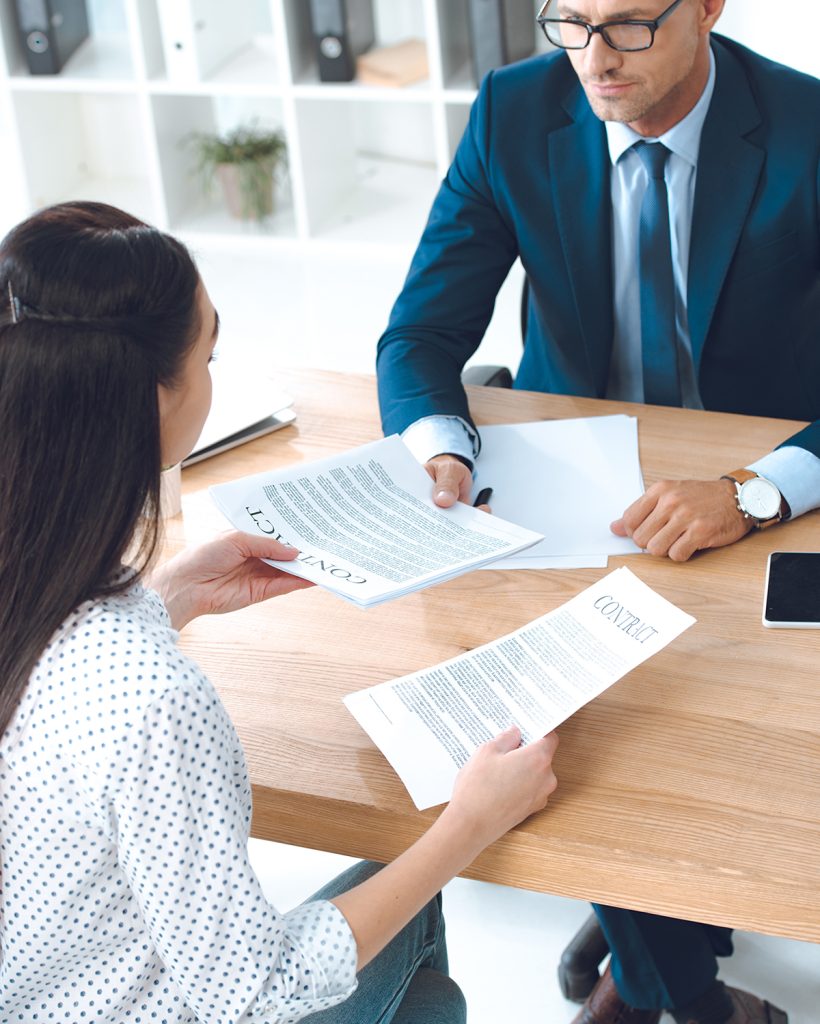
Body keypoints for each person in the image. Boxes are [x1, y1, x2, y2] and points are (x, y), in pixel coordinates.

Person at [0, 201, 560, 1024]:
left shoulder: (45, 600)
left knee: (411, 958)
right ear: (155, 401)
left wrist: (170, 597)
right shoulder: (151, 699)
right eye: (210, 351)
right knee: (413, 908)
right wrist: (468, 826)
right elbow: (255, 995)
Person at [375, 1, 815, 1022]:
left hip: (755, 492)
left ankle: (649, 957)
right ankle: (681, 982)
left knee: (687, 715)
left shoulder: (805, 128)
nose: (592, 60)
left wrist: (748, 494)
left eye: (627, 26)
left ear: (706, 6)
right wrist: (442, 445)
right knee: (552, 717)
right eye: (567, 23)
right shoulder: (512, 111)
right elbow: (419, 332)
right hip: (570, 490)